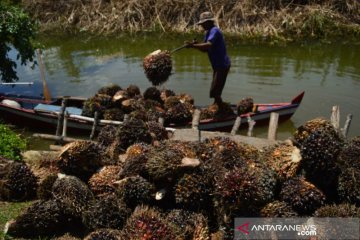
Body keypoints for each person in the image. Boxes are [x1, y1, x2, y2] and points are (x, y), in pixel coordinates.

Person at [186, 11, 231, 106]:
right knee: (216, 89)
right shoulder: (208, 33)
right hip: (217, 65)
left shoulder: (215, 30)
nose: (202, 26)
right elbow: (205, 50)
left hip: (222, 65)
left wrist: (193, 46)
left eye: (203, 23)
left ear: (209, 22)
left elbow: (208, 46)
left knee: (215, 90)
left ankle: (221, 108)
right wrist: (195, 44)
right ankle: (217, 106)